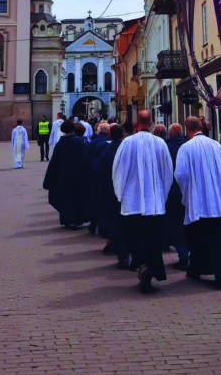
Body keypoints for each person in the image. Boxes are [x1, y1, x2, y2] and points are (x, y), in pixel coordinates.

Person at [112, 109, 174, 293]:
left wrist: (120, 195)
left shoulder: (127, 143)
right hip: (155, 202)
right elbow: (167, 173)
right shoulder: (160, 143)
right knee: (153, 238)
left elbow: (118, 171)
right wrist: (163, 195)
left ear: (136, 123)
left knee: (136, 237)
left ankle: (141, 266)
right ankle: (150, 267)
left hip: (132, 203)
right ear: (151, 123)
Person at [174, 116, 221, 288]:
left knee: (198, 238)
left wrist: (187, 191)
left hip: (199, 201)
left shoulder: (186, 148)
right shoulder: (217, 145)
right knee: (220, 238)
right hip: (218, 200)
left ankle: (197, 268)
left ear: (188, 130)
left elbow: (180, 174)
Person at [43, 120, 88, 228]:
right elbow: (85, 158)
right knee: (76, 198)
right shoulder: (78, 142)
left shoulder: (60, 144)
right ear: (73, 129)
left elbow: (54, 162)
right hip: (77, 176)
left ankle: (67, 220)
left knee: (65, 198)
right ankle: (75, 220)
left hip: (63, 176)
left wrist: (50, 179)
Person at [96, 124, 130, 266]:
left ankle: (121, 255)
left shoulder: (105, 152)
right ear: (123, 134)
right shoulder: (129, 151)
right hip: (128, 194)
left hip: (110, 193)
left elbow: (96, 171)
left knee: (115, 224)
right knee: (129, 223)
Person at [164, 122, 189, 271]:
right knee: (188, 224)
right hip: (190, 193)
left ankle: (183, 254)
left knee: (176, 224)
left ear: (171, 134)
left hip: (173, 193)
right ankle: (189, 253)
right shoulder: (188, 146)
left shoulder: (167, 149)